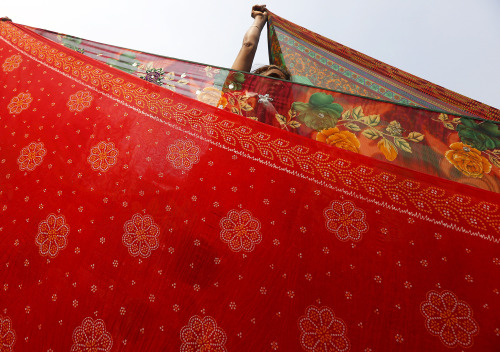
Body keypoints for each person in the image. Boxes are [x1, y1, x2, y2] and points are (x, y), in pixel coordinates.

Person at [231, 5, 291, 81]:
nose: (278, 83)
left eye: (283, 84)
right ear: (258, 76)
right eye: (273, 77)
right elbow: (248, 45)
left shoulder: (290, 93)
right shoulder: (235, 89)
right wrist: (259, 18)